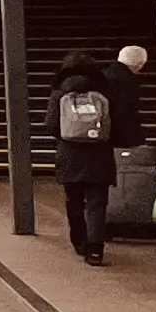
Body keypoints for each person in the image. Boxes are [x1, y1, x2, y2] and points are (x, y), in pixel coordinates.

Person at [49, 50, 122, 263]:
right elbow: (115, 123)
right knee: (97, 203)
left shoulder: (59, 93)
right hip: (99, 155)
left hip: (70, 155)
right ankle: (95, 249)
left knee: (74, 201)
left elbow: (51, 125)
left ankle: (79, 240)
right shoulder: (105, 91)